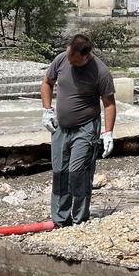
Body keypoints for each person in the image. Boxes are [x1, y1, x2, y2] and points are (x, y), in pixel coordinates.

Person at [41, 33, 117, 227]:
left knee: (78, 171)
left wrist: (108, 133)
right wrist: (47, 110)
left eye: (74, 60)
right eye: (68, 56)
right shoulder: (62, 59)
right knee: (60, 171)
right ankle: (60, 220)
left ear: (86, 55)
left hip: (86, 127)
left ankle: (79, 219)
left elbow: (108, 104)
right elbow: (47, 83)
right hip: (61, 127)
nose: (69, 62)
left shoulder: (101, 72)